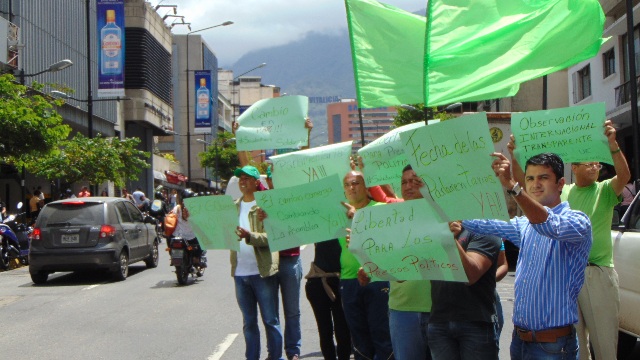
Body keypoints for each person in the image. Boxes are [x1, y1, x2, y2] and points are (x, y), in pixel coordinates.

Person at [509, 120, 630, 360]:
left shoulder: (605, 190)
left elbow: (624, 176)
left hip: (597, 272)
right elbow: (523, 184)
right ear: (573, 167)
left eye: (598, 162)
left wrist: (613, 145)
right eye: (589, 162)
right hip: (564, 276)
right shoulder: (562, 191)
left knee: (605, 345)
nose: (596, 166)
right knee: (575, 346)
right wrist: (515, 155)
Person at [462, 152, 592, 360]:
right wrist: (445, 210)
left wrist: (514, 187)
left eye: (543, 178)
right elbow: (488, 224)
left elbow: (548, 224)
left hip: (553, 346)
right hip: (520, 342)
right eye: (530, 178)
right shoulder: (524, 225)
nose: (535, 184)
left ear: (560, 184)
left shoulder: (577, 222)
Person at [354, 165, 432, 360]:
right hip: (402, 310)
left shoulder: (441, 215)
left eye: (415, 181)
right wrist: (369, 271)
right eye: (404, 182)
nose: (408, 186)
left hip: (437, 309)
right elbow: (386, 256)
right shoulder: (390, 219)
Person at [339, 170, 394, 360]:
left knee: (382, 334)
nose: (351, 187)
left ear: (365, 186)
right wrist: (268, 217)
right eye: (347, 185)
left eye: (356, 183)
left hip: (378, 279)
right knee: (359, 339)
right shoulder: (338, 214)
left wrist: (358, 219)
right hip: (349, 280)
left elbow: (389, 242)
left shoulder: (380, 209)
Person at [428, 220, 501, 360]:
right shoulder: (432, 229)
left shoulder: (485, 229)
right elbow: (406, 268)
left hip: (475, 322)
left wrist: (450, 240)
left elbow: (470, 276)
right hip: (439, 321)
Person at [232, 165, 282, 360]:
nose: (242, 181)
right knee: (249, 323)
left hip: (262, 272)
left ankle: (276, 357)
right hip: (240, 273)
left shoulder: (265, 206)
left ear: (256, 182)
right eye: (240, 178)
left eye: (246, 178)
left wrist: (249, 236)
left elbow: (273, 237)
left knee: (271, 320)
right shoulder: (233, 207)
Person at [304, 238, 352, 360]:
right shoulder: (317, 223)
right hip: (318, 281)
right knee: (325, 330)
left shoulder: (349, 224)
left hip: (342, 280)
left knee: (343, 330)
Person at [170, 189, 205, 266]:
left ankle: (174, 257)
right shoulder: (194, 208)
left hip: (177, 235)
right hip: (191, 237)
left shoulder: (176, 208)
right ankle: (196, 258)